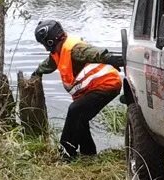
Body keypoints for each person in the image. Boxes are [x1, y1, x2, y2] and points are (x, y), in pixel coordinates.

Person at [31, 20, 124, 159]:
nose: (45, 48)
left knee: (75, 110)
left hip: (106, 85)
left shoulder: (74, 49)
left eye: (44, 43)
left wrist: (110, 58)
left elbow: (93, 53)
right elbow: (48, 64)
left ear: (50, 41)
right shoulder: (58, 53)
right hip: (95, 87)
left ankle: (66, 154)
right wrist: (37, 73)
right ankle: (89, 153)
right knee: (80, 117)